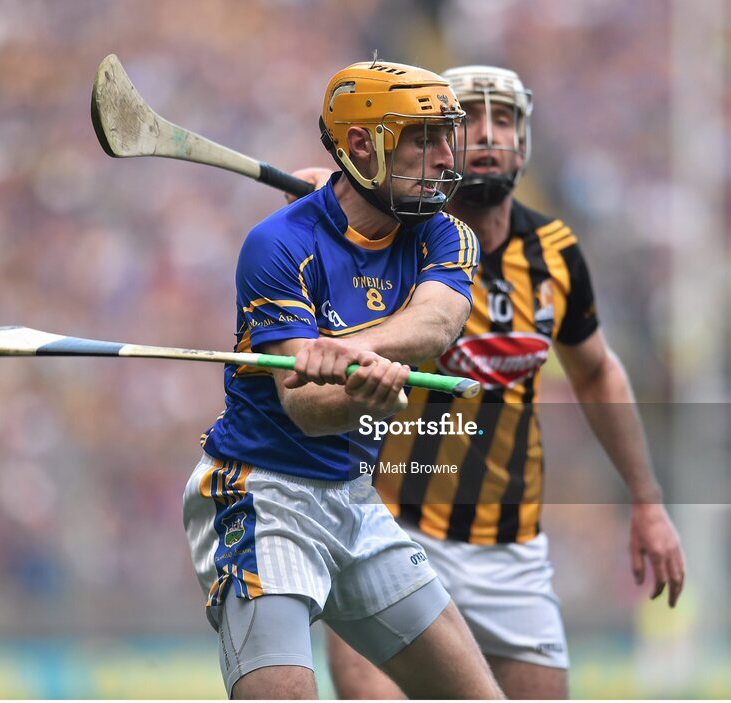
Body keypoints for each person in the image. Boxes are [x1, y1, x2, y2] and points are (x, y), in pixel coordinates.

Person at [293, 65, 687, 699]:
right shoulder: (393, 233)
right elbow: (330, 225)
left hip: (511, 548)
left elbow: (596, 372)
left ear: (523, 141)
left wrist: (647, 501)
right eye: (467, 120)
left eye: (502, 119)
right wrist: (333, 205)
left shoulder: (555, 253)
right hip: (388, 527)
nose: (485, 134)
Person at [182, 60, 504, 700]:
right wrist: (359, 385)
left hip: (354, 499)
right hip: (262, 495)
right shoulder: (276, 244)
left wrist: (347, 350)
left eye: (448, 137)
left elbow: (437, 322)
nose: (447, 159)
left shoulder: (447, 235)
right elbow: (308, 408)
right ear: (363, 146)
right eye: (424, 139)